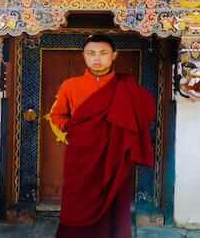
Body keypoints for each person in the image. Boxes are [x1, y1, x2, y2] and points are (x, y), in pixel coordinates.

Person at [48, 34, 156, 238]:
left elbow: (145, 114)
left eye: (103, 53)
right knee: (77, 204)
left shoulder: (127, 86)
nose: (97, 58)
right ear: (83, 56)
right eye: (91, 53)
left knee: (114, 207)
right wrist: (76, 131)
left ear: (114, 55)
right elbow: (57, 115)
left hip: (116, 158)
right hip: (81, 157)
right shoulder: (70, 85)